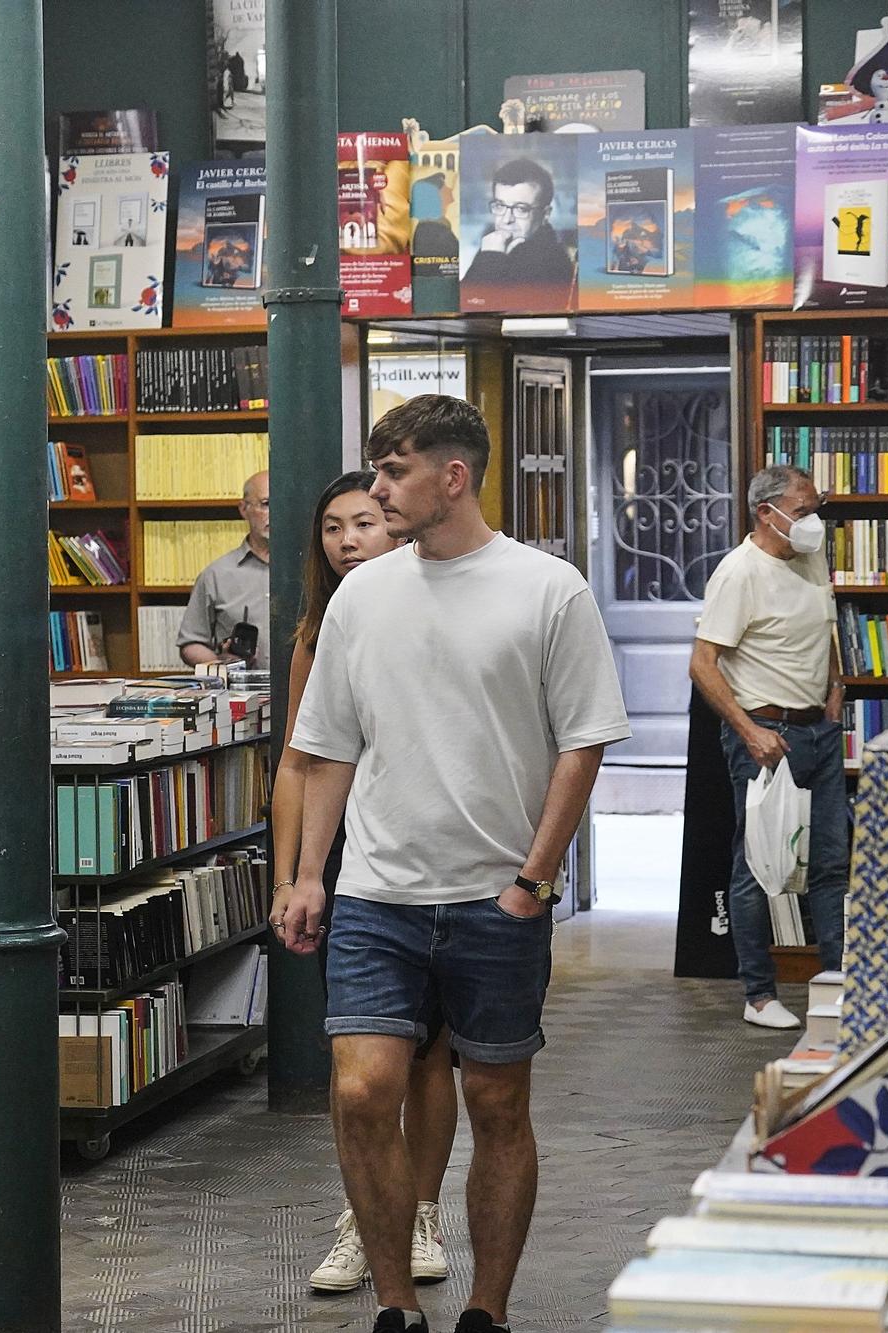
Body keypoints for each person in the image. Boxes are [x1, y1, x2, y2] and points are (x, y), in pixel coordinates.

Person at [278, 395, 629, 1333]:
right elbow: (329, 746)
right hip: (377, 895)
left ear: (454, 475)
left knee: (497, 1103)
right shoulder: (361, 596)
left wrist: (535, 880)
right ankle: (397, 1304)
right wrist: (310, 874)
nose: (377, 491)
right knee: (360, 1091)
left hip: (493, 900)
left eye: (393, 471)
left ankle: (487, 1308)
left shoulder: (547, 589)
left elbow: (583, 742)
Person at [269, 472, 457, 1294]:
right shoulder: (317, 631)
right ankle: (365, 1217)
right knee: (361, 1059)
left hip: (433, 848)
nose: (347, 540)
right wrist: (290, 875)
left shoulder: (439, 609)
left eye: (365, 522)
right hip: (341, 851)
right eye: (332, 526)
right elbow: (298, 761)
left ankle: (419, 1210)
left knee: (431, 1054)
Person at [688, 465, 846, 1029]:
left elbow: (825, 630)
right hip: (763, 735)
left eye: (814, 508)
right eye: (803, 512)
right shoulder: (738, 573)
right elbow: (702, 664)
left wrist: (834, 691)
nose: (813, 522)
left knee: (832, 863)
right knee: (758, 864)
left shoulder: (810, 559)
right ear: (767, 513)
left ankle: (835, 984)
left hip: (818, 732)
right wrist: (748, 729)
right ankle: (758, 994)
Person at [178, 470, 271, 667]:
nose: (276, 513)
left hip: (304, 693)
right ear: (243, 509)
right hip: (241, 693)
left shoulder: (311, 569)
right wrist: (222, 665)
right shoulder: (216, 575)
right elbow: (191, 643)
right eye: (266, 504)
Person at [460, 158, 574, 310]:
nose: (506, 220)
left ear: (545, 214)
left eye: (521, 209)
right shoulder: (497, 247)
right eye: (500, 206)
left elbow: (472, 309)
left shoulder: (550, 263)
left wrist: (490, 258)